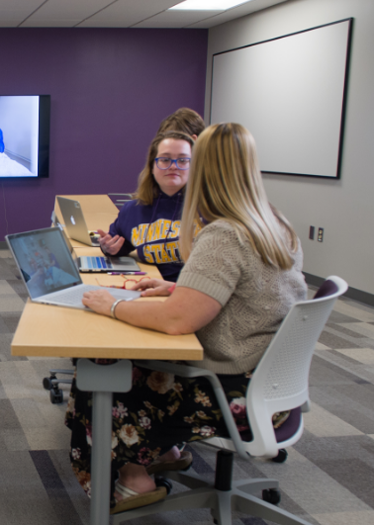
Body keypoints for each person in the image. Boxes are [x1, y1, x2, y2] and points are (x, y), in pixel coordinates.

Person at [68, 122, 307, 514]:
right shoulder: (273, 222)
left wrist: (110, 305)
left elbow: (177, 323)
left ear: (204, 170)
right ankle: (161, 453)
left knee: (97, 371)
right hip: (271, 381)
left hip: (226, 387)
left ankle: (133, 480)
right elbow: (251, 292)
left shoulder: (224, 235)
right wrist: (180, 289)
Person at [96, 131, 194, 282]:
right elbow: (118, 245)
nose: (173, 166)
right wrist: (109, 248)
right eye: (165, 159)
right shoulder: (133, 209)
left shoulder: (210, 209)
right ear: (152, 165)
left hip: (193, 295)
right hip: (149, 289)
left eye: (182, 160)